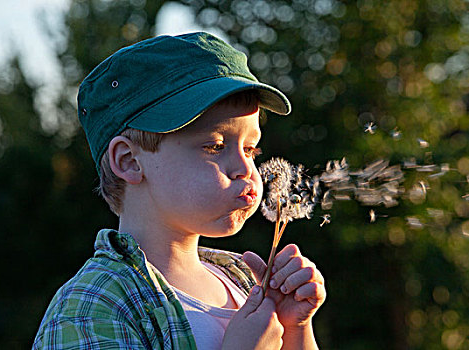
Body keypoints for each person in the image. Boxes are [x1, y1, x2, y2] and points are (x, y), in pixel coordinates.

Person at [32, 32, 326, 350]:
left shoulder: (242, 281)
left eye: (251, 149)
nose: (244, 168)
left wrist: (295, 328)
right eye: (215, 146)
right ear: (129, 161)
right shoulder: (94, 305)